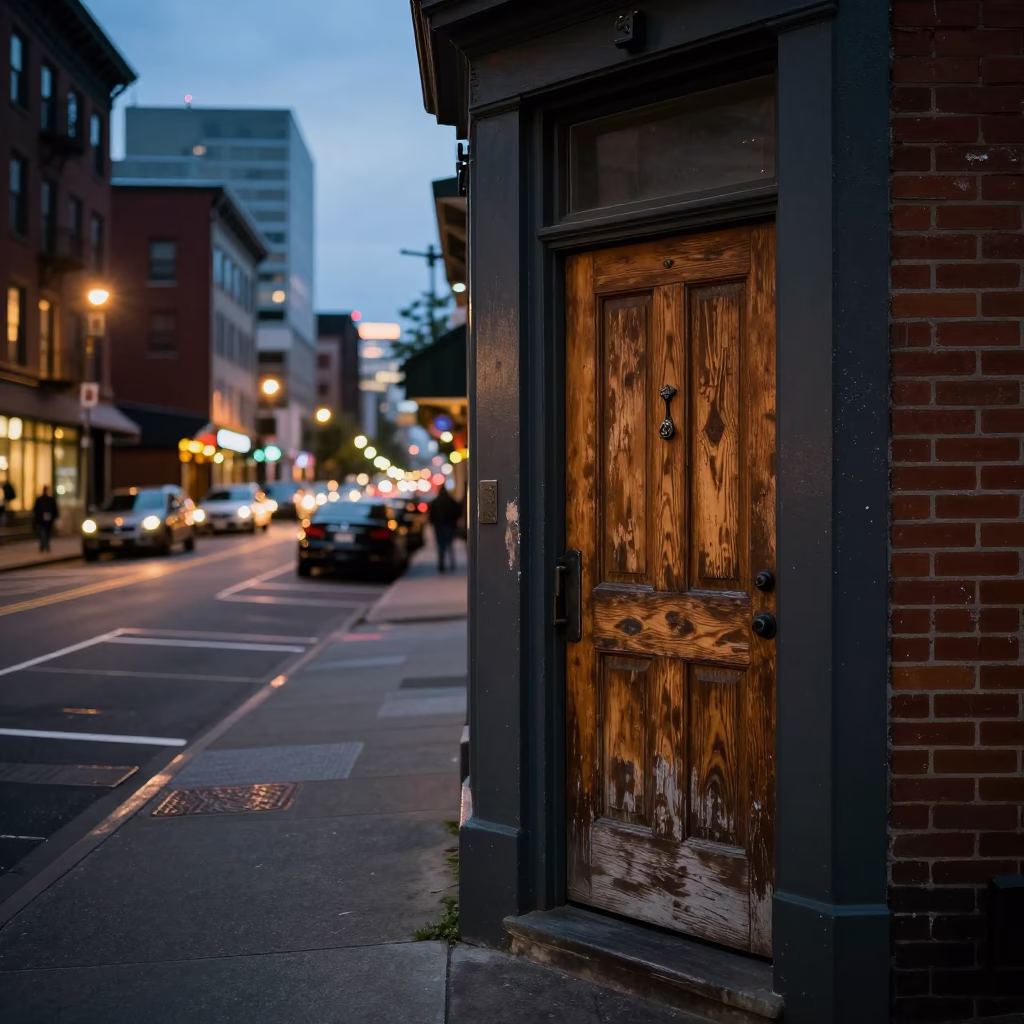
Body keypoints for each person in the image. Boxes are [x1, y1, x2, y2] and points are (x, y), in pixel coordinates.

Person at [428, 486, 460, 574]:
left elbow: (431, 515)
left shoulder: (435, 502)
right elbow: (457, 513)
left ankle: (441, 565)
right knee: (450, 546)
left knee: (441, 547)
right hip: (449, 526)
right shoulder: (451, 501)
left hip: (439, 526)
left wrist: (433, 524)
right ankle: (452, 564)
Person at [32, 485, 58, 553]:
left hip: (46, 519)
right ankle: (44, 544)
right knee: (44, 532)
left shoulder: (49, 500)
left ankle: (44, 544)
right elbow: (36, 509)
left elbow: (54, 509)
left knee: (46, 532)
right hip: (42, 519)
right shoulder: (41, 499)